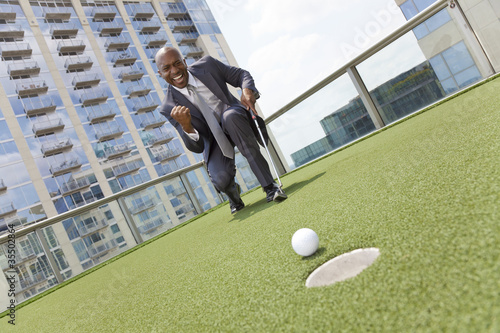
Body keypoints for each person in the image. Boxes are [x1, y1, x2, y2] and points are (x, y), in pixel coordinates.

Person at [155, 47, 286, 214]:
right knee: (221, 180)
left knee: (230, 118)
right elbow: (197, 147)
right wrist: (186, 126)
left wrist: (246, 90)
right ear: (160, 73)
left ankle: (270, 187)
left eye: (177, 63)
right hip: (214, 139)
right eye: (166, 68)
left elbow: (241, 75)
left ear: (184, 62)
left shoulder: (208, 65)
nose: (174, 71)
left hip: (234, 119)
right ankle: (234, 195)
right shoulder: (168, 107)